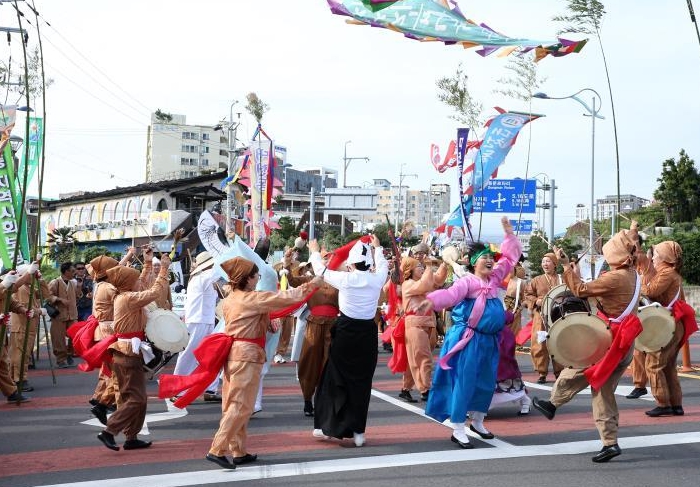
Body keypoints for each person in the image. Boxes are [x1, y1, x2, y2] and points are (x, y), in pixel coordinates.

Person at [532, 225, 643, 463]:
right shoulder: (633, 274)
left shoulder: (615, 277)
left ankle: (556, 405)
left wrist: (566, 267)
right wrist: (572, 271)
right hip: (623, 342)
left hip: (609, 342)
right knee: (599, 387)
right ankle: (606, 440)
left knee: (581, 371)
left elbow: (581, 290)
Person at [205, 257, 320, 469]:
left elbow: (249, 318)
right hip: (246, 356)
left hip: (235, 354)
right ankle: (217, 449)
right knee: (241, 406)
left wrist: (265, 321)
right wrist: (312, 284)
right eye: (255, 274)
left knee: (234, 404)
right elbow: (286, 297)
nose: (258, 277)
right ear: (247, 279)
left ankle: (238, 451)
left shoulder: (232, 298)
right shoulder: (252, 298)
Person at [418, 217, 521, 449]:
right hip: (468, 340)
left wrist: (509, 235)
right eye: (484, 257)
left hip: (489, 341)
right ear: (474, 263)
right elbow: (450, 295)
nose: (490, 260)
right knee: (464, 383)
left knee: (485, 383)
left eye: (490, 257)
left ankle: (478, 421)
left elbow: (509, 259)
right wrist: (431, 301)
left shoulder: (495, 278)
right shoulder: (467, 282)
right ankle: (457, 428)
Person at [310, 235, 388, 447]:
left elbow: (320, 271)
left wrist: (315, 251)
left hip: (345, 332)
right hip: (367, 334)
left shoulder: (346, 279)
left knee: (333, 377)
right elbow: (383, 265)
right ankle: (358, 432)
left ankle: (325, 425)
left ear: (351, 264)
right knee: (362, 382)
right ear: (368, 264)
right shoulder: (377, 279)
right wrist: (378, 248)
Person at [95, 251, 171, 451]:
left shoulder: (126, 295)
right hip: (128, 353)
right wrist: (163, 268)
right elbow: (154, 292)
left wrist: (147, 263)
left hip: (129, 351)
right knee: (136, 398)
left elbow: (143, 284)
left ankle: (131, 437)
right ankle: (109, 431)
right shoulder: (128, 298)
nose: (139, 281)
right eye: (135, 280)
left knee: (139, 398)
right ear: (128, 283)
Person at [638, 240, 697, 417]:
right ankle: (676, 404)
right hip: (673, 324)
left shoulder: (666, 273)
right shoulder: (672, 273)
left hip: (667, 326)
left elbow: (651, 291)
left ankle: (663, 403)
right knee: (668, 366)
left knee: (653, 364)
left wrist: (637, 282)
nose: (653, 258)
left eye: (655, 255)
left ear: (664, 257)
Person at [284, 246, 339, 417]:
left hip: (333, 326)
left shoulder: (339, 279)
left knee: (330, 363)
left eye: (330, 257)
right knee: (309, 362)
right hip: (313, 325)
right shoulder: (310, 279)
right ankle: (308, 399)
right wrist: (286, 264)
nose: (328, 260)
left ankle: (325, 401)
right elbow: (292, 281)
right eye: (325, 258)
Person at [172, 250, 221, 402]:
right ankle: (178, 389)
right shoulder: (205, 277)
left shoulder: (204, 278)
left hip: (206, 321)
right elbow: (222, 271)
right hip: (197, 321)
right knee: (189, 355)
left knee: (212, 355)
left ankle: (210, 388)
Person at [400, 256, 446, 402]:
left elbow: (439, 280)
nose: (421, 268)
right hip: (415, 324)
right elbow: (425, 284)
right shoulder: (408, 284)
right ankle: (425, 389)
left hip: (427, 323)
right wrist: (429, 267)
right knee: (423, 358)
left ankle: (406, 388)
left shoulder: (421, 281)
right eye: (418, 266)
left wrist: (444, 263)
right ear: (410, 270)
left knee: (415, 358)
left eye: (422, 266)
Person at [86, 255, 121, 425]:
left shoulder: (101, 285)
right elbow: (126, 297)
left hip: (104, 330)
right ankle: (110, 403)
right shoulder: (108, 287)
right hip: (109, 332)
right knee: (118, 370)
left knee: (110, 370)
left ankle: (101, 398)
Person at [524, 252, 564, 384]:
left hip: (559, 315)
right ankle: (542, 373)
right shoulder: (536, 280)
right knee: (539, 343)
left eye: (548, 261)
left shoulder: (562, 278)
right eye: (543, 262)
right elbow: (528, 294)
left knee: (558, 342)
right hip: (540, 315)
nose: (545, 264)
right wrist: (536, 301)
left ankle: (560, 372)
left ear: (555, 264)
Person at [9, 264, 50, 392]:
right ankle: (19, 379)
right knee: (20, 355)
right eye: (32, 275)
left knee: (24, 354)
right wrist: (39, 311)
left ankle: (18, 378)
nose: (33, 277)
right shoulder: (21, 288)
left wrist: (41, 280)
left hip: (29, 327)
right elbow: (26, 308)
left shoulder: (28, 287)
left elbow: (45, 294)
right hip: (22, 327)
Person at [1, 266, 38, 402]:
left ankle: (11, 392)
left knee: (2, 365)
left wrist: (24, 311)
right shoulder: (3, 287)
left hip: (1, 334)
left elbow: (12, 304)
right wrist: (28, 272)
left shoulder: (6, 289)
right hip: (15, 329)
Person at [47, 262, 81, 368]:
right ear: (66, 272)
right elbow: (48, 296)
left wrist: (79, 287)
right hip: (59, 315)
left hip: (72, 315)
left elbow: (77, 296)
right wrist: (59, 299)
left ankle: (70, 353)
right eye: (73, 271)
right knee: (58, 338)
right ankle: (61, 359)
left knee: (75, 335)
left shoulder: (73, 283)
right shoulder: (55, 282)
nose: (75, 273)